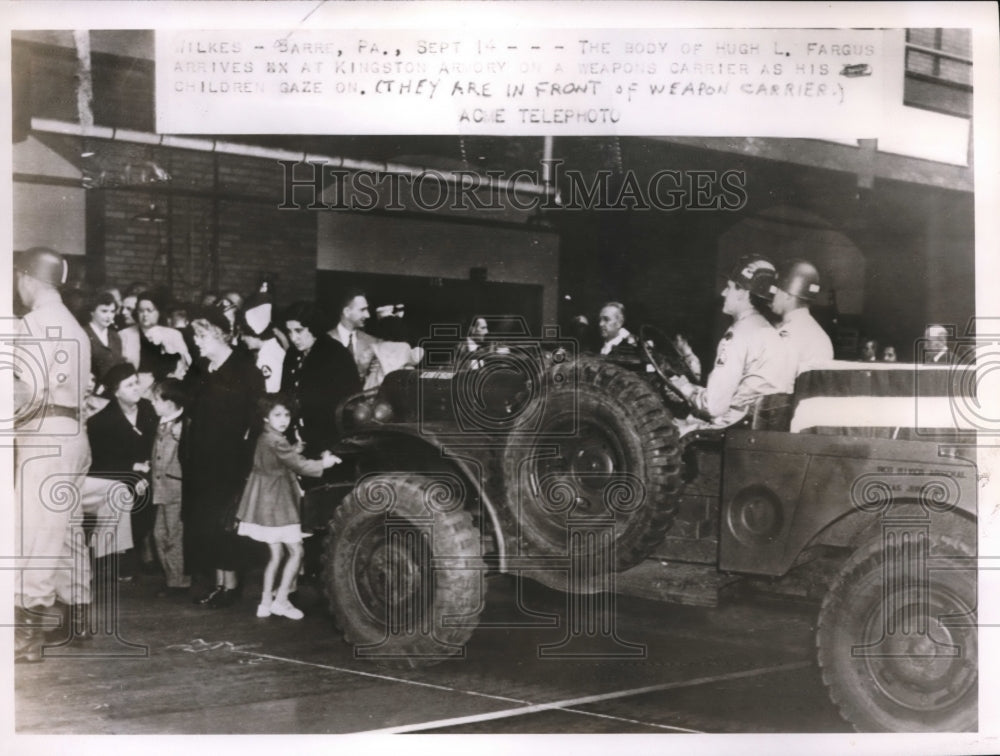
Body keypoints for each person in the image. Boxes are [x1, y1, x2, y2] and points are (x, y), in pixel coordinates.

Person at [13, 248, 93, 663]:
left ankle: (25, 637)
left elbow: (25, 392)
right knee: (65, 530)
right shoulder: (75, 327)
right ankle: (78, 615)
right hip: (74, 434)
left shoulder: (34, 324)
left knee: (35, 534)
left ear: (28, 278)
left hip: (44, 436)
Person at [183, 306, 265, 608]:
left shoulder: (245, 370)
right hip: (203, 461)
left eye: (201, 336)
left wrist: (246, 462)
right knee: (207, 523)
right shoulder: (203, 370)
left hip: (231, 462)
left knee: (225, 523)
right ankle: (219, 584)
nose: (197, 342)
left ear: (218, 335)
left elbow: (255, 421)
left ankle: (231, 586)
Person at [236, 394, 341, 620]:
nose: (284, 419)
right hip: (278, 501)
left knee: (275, 554)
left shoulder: (266, 437)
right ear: (266, 417)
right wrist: (325, 463)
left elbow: (280, 458)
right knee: (297, 551)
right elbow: (299, 466)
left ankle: (265, 601)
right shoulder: (277, 441)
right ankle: (281, 600)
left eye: (286, 415)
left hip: (263, 501)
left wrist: (293, 449)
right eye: (277, 415)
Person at [667, 256, 794, 435]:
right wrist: (695, 390)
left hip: (736, 431)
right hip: (762, 431)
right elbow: (743, 394)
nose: (723, 293)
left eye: (729, 287)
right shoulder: (768, 331)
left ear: (742, 292)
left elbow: (714, 406)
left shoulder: (739, 334)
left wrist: (683, 388)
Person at [87, 362, 159, 580]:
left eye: (137, 383)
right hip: (118, 475)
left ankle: (146, 543)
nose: (136, 388)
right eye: (129, 386)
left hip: (153, 468)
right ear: (116, 392)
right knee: (129, 491)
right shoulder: (101, 422)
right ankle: (125, 553)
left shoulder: (150, 409)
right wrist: (132, 469)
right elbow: (100, 464)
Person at [281, 302, 361, 458]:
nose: (293, 338)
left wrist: (328, 446)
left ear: (313, 327)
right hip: (296, 440)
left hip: (327, 443)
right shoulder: (292, 353)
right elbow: (286, 394)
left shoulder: (336, 354)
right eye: (289, 332)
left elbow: (348, 404)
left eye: (299, 331)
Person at [149, 378, 191, 596]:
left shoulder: (182, 426)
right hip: (161, 488)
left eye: (156, 399)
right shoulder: (162, 422)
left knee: (174, 535)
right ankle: (172, 576)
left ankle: (178, 581)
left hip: (175, 489)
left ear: (170, 402)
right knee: (160, 534)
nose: (152, 403)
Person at [769, 259, 834, 377]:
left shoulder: (787, 335)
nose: (772, 296)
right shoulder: (821, 336)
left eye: (776, 291)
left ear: (788, 295)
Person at [119, 291, 192, 388]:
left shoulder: (173, 335)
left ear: (159, 312)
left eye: (149, 310)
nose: (145, 315)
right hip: (136, 387)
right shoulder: (124, 334)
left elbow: (185, 363)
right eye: (141, 310)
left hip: (165, 388)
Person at [238, 294, 285, 393]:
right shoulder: (270, 350)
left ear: (255, 334)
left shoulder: (268, 357)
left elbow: (270, 393)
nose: (242, 338)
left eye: (244, 334)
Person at [83, 290, 125, 389]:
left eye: (112, 311)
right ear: (92, 311)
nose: (109, 316)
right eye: (104, 311)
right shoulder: (83, 333)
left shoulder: (115, 336)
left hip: (111, 390)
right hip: (89, 388)